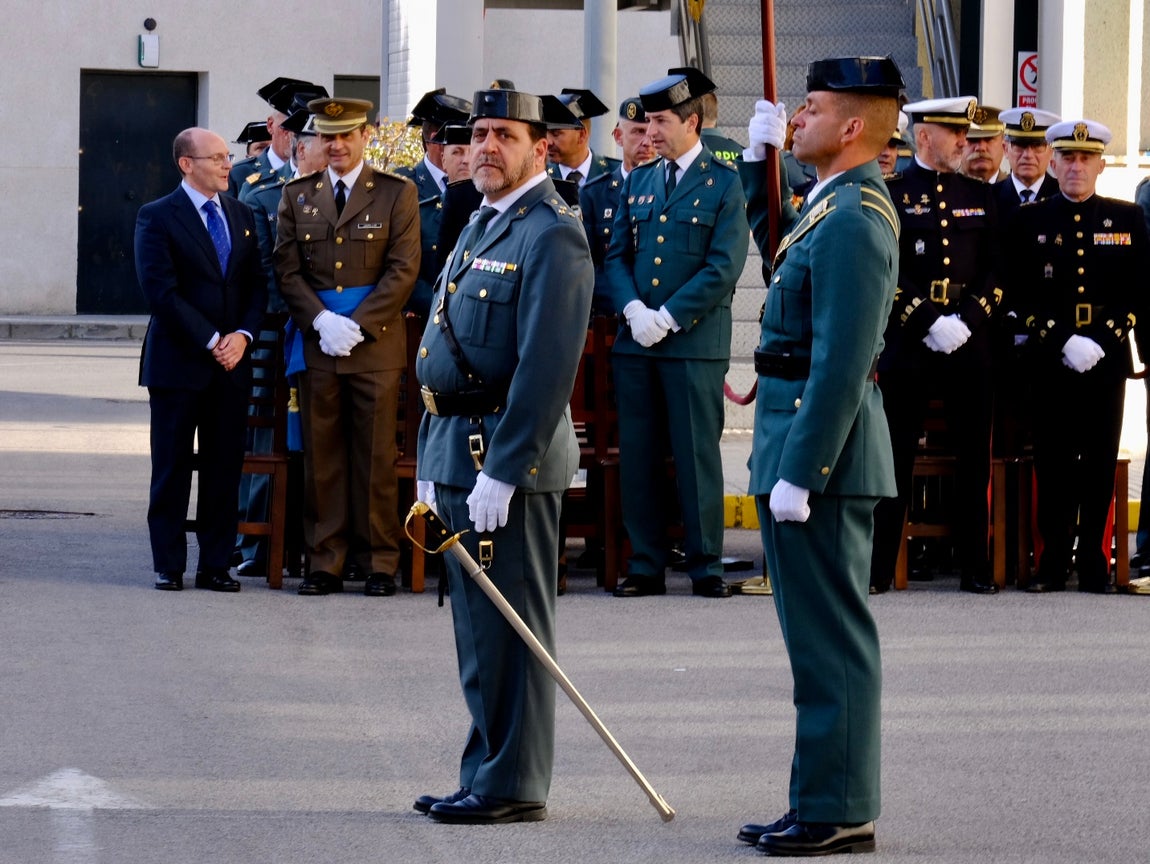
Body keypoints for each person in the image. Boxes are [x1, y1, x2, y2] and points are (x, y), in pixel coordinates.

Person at [738, 54, 902, 857]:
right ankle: (817, 797)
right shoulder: (824, 205)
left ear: (850, 126)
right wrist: (750, 166)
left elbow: (842, 359)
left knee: (832, 638)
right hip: (793, 437)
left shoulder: (855, 220)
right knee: (812, 639)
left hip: (821, 453)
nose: (793, 119)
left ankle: (840, 808)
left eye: (807, 109)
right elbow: (776, 248)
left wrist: (803, 469)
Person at [413, 88, 592, 823]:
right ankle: (484, 768)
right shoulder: (484, 220)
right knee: (478, 629)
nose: (486, 145)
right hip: (456, 447)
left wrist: (504, 467)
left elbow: (547, 366)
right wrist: (432, 453)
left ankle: (514, 783)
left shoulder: (552, 233)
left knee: (512, 625)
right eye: (479, 133)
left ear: (540, 147)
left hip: (501, 461)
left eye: (505, 135)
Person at [604, 66, 749, 598]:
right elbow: (615, 256)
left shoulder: (724, 182)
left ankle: (705, 563)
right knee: (638, 456)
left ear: (692, 122)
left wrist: (668, 316)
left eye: (660, 122)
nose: (650, 134)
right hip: (635, 343)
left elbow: (724, 266)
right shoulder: (639, 180)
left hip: (692, 344)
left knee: (695, 457)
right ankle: (644, 564)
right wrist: (635, 311)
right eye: (645, 125)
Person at [275, 97, 421, 597]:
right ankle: (325, 562)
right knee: (323, 458)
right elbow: (287, 271)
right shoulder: (297, 196)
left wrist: (354, 326)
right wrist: (320, 322)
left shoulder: (396, 194)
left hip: (374, 345)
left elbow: (403, 271)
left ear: (366, 137)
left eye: (346, 136)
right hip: (319, 346)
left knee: (376, 457)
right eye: (327, 137)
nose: (335, 145)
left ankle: (380, 561)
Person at [870, 96, 1003, 595]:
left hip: (970, 345)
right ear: (925, 137)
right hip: (910, 343)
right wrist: (926, 319)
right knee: (895, 456)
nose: (966, 143)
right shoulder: (893, 192)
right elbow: (886, 268)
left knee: (973, 458)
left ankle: (975, 566)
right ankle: (880, 567)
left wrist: (967, 319)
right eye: (956, 135)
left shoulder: (982, 195)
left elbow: (998, 270)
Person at [1010, 119, 1149, 593]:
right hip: (1052, 360)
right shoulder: (1030, 220)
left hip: (1106, 362)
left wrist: (1105, 337)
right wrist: (1063, 339)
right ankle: (1053, 562)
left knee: (1098, 461)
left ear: (1101, 165)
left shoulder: (1127, 218)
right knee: (1053, 462)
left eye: (1085, 158)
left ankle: (1094, 559)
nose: (1075, 166)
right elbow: (1018, 296)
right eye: (1067, 157)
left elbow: (1140, 291)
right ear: (1055, 161)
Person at [134, 127, 267, 592]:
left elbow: (255, 285)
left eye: (227, 156)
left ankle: (215, 564)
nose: (227, 164)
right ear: (186, 164)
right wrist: (213, 339)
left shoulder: (242, 213)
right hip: (178, 364)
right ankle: (168, 564)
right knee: (171, 467)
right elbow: (161, 293)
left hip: (232, 365)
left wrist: (243, 336)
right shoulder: (157, 217)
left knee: (223, 467)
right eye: (215, 158)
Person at [396, 89, 473, 316]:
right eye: (456, 148)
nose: (466, 158)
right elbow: (402, 269)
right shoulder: (404, 187)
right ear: (436, 142)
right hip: (422, 319)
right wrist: (442, 309)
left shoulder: (483, 191)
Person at [579, 96, 654, 313]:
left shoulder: (671, 191)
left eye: (651, 134)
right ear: (619, 136)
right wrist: (629, 304)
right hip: (609, 316)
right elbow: (588, 265)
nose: (647, 142)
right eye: (638, 132)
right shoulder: (594, 194)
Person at [547, 87, 620, 189]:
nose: (548, 142)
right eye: (545, 133)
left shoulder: (617, 173)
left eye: (556, 134)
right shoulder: (539, 177)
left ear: (581, 135)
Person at [960, 105, 1008, 182]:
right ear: (959, 145)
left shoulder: (1015, 192)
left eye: (989, 139)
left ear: (1004, 146)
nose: (981, 147)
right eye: (972, 140)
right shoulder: (945, 190)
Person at [877, 109, 908, 177]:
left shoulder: (905, 186)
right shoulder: (850, 186)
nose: (887, 153)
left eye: (892, 145)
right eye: (880, 145)